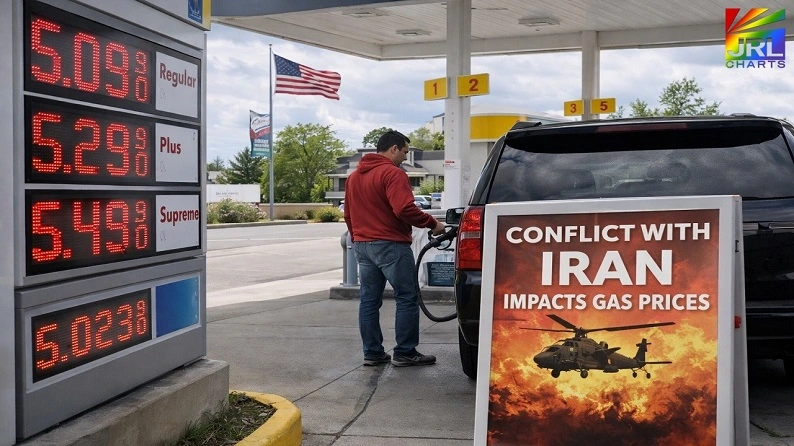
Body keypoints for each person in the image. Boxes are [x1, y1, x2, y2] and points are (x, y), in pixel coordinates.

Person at [344, 130, 446, 367]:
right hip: (391, 245)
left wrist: (358, 237)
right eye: (404, 152)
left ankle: (372, 353)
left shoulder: (354, 177)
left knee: (369, 300)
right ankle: (405, 352)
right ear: (393, 148)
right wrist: (434, 224)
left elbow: (348, 214)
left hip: (362, 245)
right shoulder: (393, 173)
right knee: (407, 297)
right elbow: (404, 209)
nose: (405, 157)